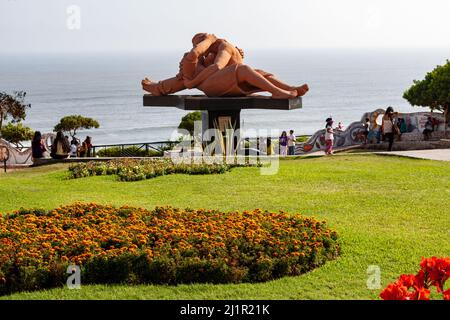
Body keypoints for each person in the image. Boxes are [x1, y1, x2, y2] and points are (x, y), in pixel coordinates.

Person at [142, 33, 309, 99]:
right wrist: (208, 41)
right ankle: (278, 92)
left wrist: (192, 83)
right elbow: (211, 67)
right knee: (243, 70)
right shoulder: (194, 58)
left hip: (221, 83)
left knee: (260, 72)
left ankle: (288, 88)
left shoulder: (221, 49)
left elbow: (218, 67)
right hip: (214, 85)